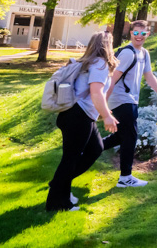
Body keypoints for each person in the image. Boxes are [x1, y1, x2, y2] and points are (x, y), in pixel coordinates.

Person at [46, 32, 118, 212]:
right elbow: (96, 92)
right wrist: (107, 116)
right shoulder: (100, 63)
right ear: (107, 45)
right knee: (70, 158)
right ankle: (58, 203)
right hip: (78, 116)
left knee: (96, 148)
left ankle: (59, 184)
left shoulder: (88, 62)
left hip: (76, 115)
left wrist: (104, 112)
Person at [102, 20, 157, 188]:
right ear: (131, 33)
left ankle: (88, 147)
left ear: (147, 34)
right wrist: (103, 109)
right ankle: (125, 178)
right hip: (121, 100)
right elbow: (112, 79)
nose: (139, 36)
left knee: (122, 136)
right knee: (130, 137)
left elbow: (149, 75)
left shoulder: (144, 53)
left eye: (143, 33)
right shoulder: (127, 54)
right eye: (136, 33)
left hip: (130, 99)